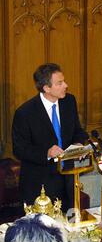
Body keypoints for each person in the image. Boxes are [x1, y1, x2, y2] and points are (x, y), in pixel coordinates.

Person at [12, 63, 88, 213]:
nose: (66, 85)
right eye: (60, 83)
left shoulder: (69, 101)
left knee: (70, 225)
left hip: (68, 178)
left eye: (64, 81)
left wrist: (79, 145)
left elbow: (78, 131)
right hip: (40, 182)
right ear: (46, 88)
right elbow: (20, 149)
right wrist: (46, 153)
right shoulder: (25, 113)